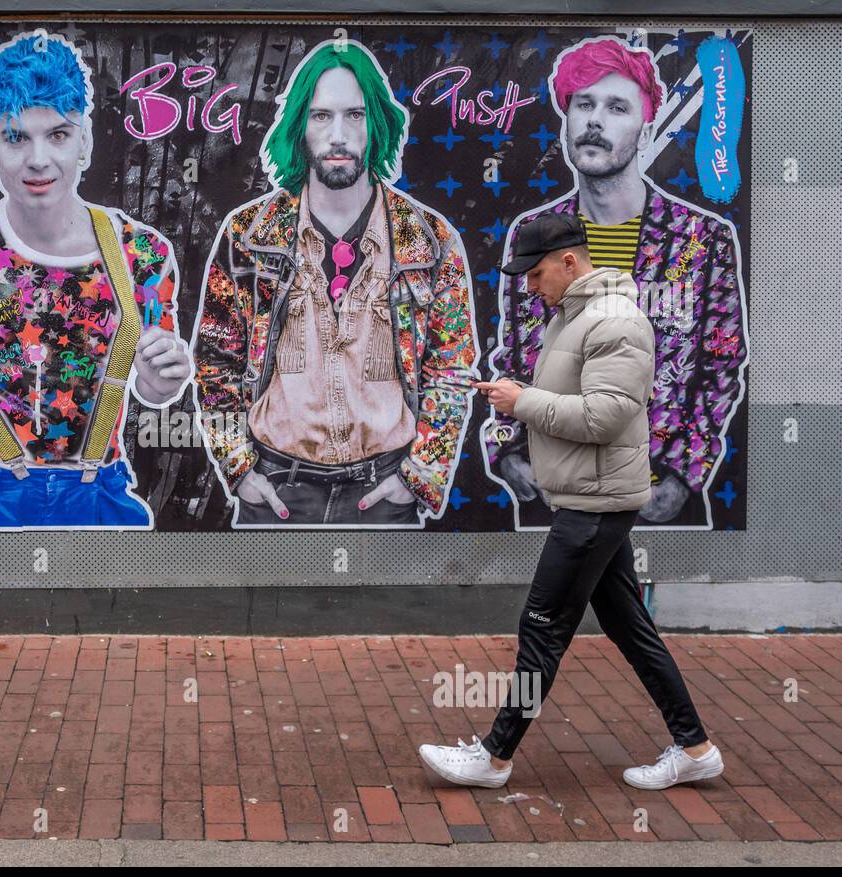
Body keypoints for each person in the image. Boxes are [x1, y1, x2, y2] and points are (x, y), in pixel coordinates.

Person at [419, 212, 724, 791]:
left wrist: (523, 400)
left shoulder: (615, 322)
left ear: (569, 261)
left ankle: (495, 757)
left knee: (542, 627)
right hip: (589, 496)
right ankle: (695, 746)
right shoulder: (575, 317)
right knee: (631, 628)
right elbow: (575, 400)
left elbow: (607, 416)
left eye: (535, 275)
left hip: (597, 503)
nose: (530, 288)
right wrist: (519, 398)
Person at [0, 31, 192, 529]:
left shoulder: (141, 251)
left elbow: (156, 388)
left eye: (57, 134)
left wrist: (165, 379)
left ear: (84, 143)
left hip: (98, 495)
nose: (37, 159)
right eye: (15, 137)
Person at [191, 39, 477, 527]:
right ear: (301, 126)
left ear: (377, 126)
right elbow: (215, 360)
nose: (339, 135)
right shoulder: (251, 234)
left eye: (355, 116)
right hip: (277, 488)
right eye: (322, 116)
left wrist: (420, 475)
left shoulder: (429, 240)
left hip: (386, 488)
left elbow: (451, 369)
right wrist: (238, 468)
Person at [484, 36, 747, 529]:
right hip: (557, 487)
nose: (595, 121)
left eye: (617, 107)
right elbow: (515, 358)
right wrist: (507, 455)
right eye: (583, 104)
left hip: (654, 495)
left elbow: (721, 365)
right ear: (566, 122)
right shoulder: (535, 234)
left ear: (646, 131)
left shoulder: (701, 238)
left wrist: (682, 476)